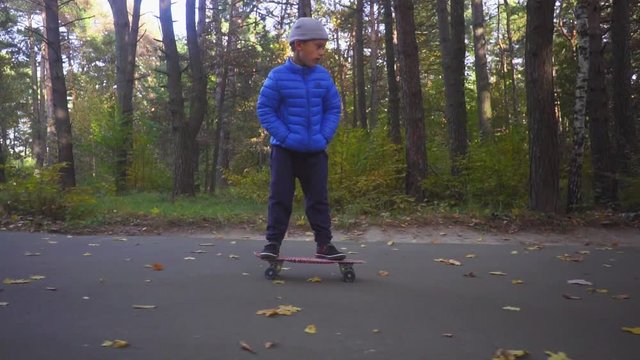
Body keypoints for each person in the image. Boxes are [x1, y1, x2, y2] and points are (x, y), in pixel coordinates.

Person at [256, 17, 345, 261]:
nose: (321, 52)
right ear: (298, 45)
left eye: (323, 46)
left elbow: (333, 109)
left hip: (315, 151)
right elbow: (265, 109)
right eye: (318, 46)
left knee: (318, 199)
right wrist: (285, 136)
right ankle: (273, 243)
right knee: (280, 197)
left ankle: (324, 245)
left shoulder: (323, 77)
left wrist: (323, 136)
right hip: (285, 151)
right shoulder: (278, 76)